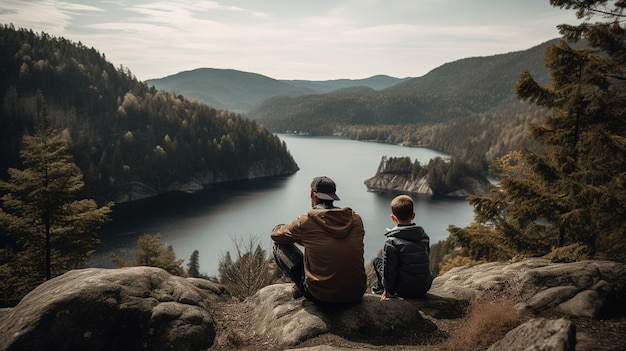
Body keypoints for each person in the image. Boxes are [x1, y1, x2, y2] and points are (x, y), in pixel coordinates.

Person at [271, 176, 367, 305]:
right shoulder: (355, 219)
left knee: (279, 245)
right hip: (356, 294)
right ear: (333, 196)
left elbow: (276, 235)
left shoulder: (306, 221)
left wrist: (285, 228)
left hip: (322, 297)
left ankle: (301, 286)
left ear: (312, 194)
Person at [372, 194, 433, 300]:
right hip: (424, 287)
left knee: (377, 261)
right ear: (413, 215)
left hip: (404, 290)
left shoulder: (391, 242)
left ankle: (382, 290)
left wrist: (389, 290)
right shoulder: (424, 236)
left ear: (393, 218)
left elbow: (389, 270)